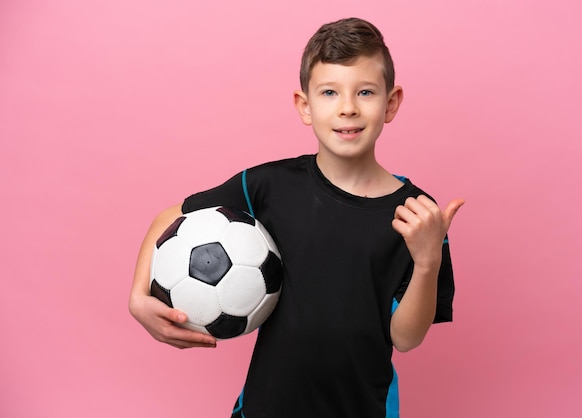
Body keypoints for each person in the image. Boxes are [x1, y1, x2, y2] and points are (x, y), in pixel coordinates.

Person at [129, 17, 464, 418]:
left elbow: (406, 338)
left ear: (390, 103)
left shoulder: (416, 215)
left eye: (366, 92)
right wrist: (138, 297)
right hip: (266, 408)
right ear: (304, 106)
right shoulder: (267, 186)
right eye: (329, 92)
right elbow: (171, 217)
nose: (348, 108)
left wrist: (428, 261)